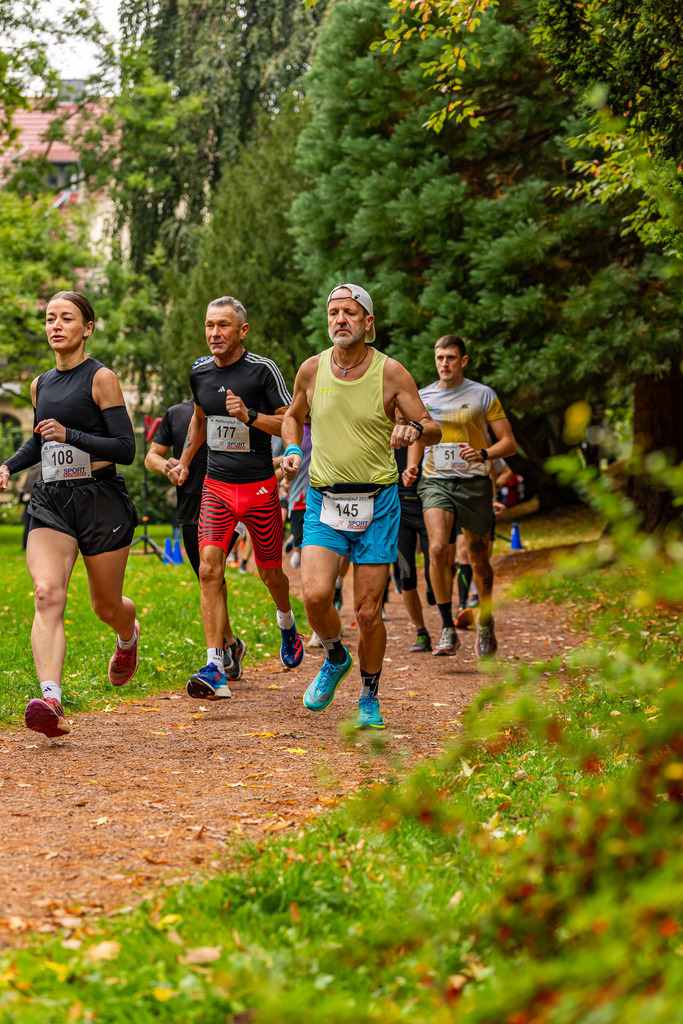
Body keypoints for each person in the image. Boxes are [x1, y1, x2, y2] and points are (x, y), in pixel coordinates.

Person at [281, 283, 440, 730]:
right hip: (324, 499)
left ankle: (369, 694)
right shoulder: (312, 370)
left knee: (368, 612)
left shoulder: (391, 373)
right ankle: (335, 656)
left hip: (378, 502)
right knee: (314, 596)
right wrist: (293, 449)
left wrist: (412, 430)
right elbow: (293, 414)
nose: (340, 320)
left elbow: (432, 427)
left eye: (350, 313)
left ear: (368, 323)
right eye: (334, 312)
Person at [0, 291, 140, 738]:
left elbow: (125, 449)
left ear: (87, 328)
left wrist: (71, 434)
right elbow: (41, 442)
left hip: (100, 499)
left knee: (106, 606)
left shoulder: (101, 379)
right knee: (46, 594)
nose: (55, 325)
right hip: (52, 500)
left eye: (66, 318)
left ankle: (128, 634)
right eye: (49, 318)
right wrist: (7, 465)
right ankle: (51, 698)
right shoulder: (41, 384)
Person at [169, 295, 303, 701]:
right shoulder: (199, 372)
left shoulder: (262, 371)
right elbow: (199, 418)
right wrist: (185, 461)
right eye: (210, 325)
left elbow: (291, 419)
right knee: (209, 568)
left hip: (260, 489)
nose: (214, 333)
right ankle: (216, 664)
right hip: (217, 487)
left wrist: (250, 417)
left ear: (242, 330)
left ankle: (287, 625)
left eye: (223, 325)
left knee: (271, 573)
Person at [405, 334, 517, 658]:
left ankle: (485, 621)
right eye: (440, 358)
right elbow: (418, 436)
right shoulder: (422, 396)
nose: (444, 364)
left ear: (463, 361)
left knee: (479, 560)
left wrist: (483, 454)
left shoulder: (483, 395)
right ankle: (446, 627)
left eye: (451, 358)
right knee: (438, 548)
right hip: (436, 481)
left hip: (474, 483)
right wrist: (413, 467)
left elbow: (508, 443)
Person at [144, 396, 248, 680]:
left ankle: (219, 654)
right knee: (209, 578)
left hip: (227, 502)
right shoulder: (177, 413)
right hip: (189, 505)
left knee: (211, 571)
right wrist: (166, 466)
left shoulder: (235, 409)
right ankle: (231, 644)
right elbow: (151, 456)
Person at [394, 445, 433, 652]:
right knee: (406, 574)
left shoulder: (428, 433)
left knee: (434, 569)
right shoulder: (385, 435)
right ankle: (422, 633)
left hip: (431, 506)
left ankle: (434, 588)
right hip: (400, 512)